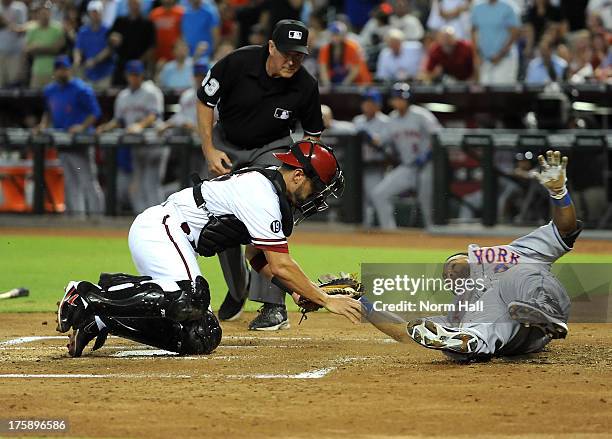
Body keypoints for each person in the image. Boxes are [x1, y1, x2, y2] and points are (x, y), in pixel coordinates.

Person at [56, 140, 362, 357]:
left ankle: (103, 317)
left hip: (173, 241)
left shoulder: (275, 196)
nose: (317, 197)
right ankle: (85, 296)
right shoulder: (261, 191)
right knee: (192, 296)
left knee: (201, 336)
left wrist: (298, 293)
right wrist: (322, 298)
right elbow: (282, 264)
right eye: (317, 187)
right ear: (298, 175)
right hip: (162, 230)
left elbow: (255, 258)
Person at [361, 150, 581, 363]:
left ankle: (543, 310)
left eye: (451, 264)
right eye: (446, 276)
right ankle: (468, 342)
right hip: (519, 339)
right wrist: (363, 304)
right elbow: (406, 332)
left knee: (517, 275)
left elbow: (565, 230)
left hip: (538, 299)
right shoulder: (460, 307)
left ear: (471, 256)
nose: (448, 273)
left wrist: (559, 193)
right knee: (480, 320)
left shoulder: (510, 253)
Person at [196, 19, 324, 330]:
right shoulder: (237, 63)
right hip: (227, 142)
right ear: (270, 47)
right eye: (286, 53)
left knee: (264, 212)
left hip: (273, 149)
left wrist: (301, 174)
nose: (292, 60)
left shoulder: (305, 85)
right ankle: (238, 288)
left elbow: (313, 135)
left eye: (299, 55)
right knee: (219, 221)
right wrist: (209, 150)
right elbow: (204, 101)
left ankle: (272, 304)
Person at [37, 55, 104, 216]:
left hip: (80, 142)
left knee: (87, 181)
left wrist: (82, 127)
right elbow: (48, 112)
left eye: (65, 68)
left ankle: (99, 219)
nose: (63, 72)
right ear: (55, 71)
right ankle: (76, 220)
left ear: (70, 70)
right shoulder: (50, 90)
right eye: (59, 69)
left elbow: (95, 112)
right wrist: (43, 126)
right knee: (71, 182)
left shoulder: (81, 88)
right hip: (62, 141)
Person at [97, 60, 165, 214]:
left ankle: (160, 218)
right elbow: (119, 120)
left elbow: (154, 115)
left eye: (137, 75)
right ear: (127, 76)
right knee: (138, 183)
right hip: (136, 145)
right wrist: (106, 127)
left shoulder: (151, 91)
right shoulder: (123, 96)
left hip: (153, 142)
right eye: (131, 75)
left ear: (142, 75)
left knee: (151, 183)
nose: (134, 78)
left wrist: (140, 126)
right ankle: (143, 218)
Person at [370, 83, 441, 229]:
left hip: (427, 165)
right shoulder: (392, 119)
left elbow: (439, 135)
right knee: (379, 194)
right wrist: (367, 136)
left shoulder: (421, 115)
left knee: (425, 201)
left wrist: (428, 154)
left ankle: (433, 234)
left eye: (402, 98)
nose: (399, 101)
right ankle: (389, 232)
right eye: (396, 98)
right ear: (391, 101)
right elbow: (381, 140)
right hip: (408, 167)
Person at [351, 88, 390, 227]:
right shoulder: (358, 121)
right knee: (362, 204)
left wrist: (369, 137)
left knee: (379, 200)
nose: (367, 105)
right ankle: (365, 237)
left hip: (377, 167)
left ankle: (390, 232)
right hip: (360, 168)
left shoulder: (386, 121)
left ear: (378, 104)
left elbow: (383, 144)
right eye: (365, 102)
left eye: (371, 102)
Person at [471, 0, 520, 84]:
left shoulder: (509, 6)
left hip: (505, 59)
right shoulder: (477, 7)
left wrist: (500, 54)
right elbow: (474, 31)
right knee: (485, 93)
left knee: (502, 93)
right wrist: (477, 54)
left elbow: (515, 32)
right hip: (485, 60)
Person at [109, 0, 156, 85]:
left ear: (141, 6)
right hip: (121, 66)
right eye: (132, 4)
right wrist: (113, 38)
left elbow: (152, 47)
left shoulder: (148, 23)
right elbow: (110, 37)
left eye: (136, 4)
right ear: (128, 5)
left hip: (139, 67)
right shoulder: (120, 21)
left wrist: (138, 63)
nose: (134, 7)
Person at [74, 0, 114, 89]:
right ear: (89, 13)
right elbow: (78, 49)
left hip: (104, 73)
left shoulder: (107, 30)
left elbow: (109, 49)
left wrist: (95, 60)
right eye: (93, 12)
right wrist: (77, 60)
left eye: (97, 12)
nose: (95, 15)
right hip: (88, 73)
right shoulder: (83, 31)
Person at [25, 0, 65, 88]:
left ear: (50, 13)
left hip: (54, 72)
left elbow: (56, 49)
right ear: (38, 14)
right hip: (37, 71)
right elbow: (27, 50)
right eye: (42, 12)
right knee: (34, 99)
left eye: (47, 12)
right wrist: (48, 48)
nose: (44, 15)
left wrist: (37, 47)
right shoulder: (32, 29)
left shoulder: (57, 28)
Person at [318, 20, 371, 86]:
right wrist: (327, 84)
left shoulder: (353, 47)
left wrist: (344, 84)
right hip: (335, 81)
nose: (335, 37)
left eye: (338, 35)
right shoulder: (325, 49)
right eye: (333, 34)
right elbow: (323, 68)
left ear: (344, 35)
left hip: (357, 83)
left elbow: (356, 69)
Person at [0, 0, 28, 87]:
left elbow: (22, 30)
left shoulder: (20, 7)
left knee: (13, 82)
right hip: (1, 51)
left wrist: (5, 22)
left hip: (16, 52)